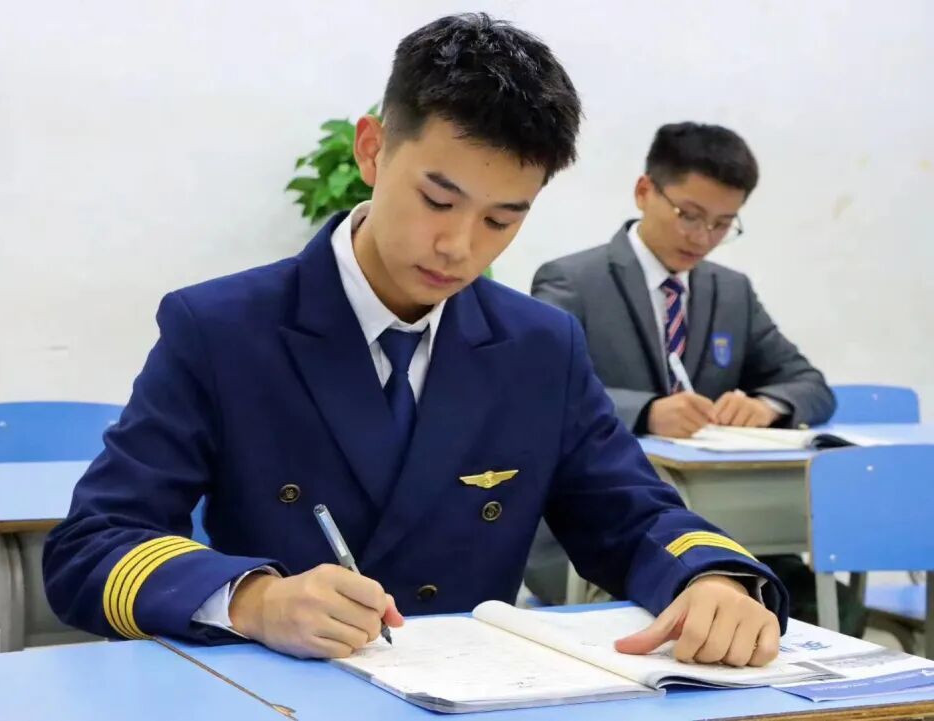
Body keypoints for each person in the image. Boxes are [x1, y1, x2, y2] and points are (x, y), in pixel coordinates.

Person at [44, 16, 787, 667]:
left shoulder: (538, 346)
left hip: (473, 694)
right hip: (283, 694)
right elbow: (93, 545)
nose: (459, 246)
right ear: (373, 150)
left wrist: (713, 581)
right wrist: (254, 600)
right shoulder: (223, 328)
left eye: (501, 219)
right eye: (437, 199)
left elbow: (633, 515)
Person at [525, 123, 858, 635]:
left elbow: (808, 383)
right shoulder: (572, 280)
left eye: (723, 224)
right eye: (689, 215)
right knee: (677, 617)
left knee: (821, 603)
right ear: (644, 191)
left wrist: (769, 405)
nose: (702, 237)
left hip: (726, 530)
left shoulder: (731, 291)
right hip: (601, 535)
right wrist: (647, 411)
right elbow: (541, 392)